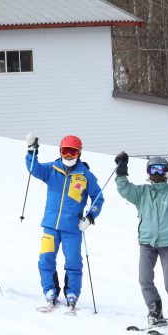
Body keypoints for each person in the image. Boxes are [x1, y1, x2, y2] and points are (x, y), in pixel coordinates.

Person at [114, 152, 168, 330]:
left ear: (166, 172)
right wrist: (121, 170)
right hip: (147, 243)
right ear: (148, 172)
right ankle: (155, 311)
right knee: (144, 279)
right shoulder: (141, 193)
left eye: (160, 169)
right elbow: (124, 189)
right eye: (153, 169)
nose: (157, 173)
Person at [25, 133, 104, 312]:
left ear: (79, 153)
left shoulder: (85, 176)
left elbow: (98, 198)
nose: (68, 156)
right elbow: (33, 168)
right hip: (51, 226)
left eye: (72, 152)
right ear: (60, 152)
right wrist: (32, 151)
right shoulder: (52, 169)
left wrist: (90, 217)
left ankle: (72, 293)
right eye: (65, 152)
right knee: (45, 260)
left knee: (73, 261)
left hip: (73, 228)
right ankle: (50, 291)